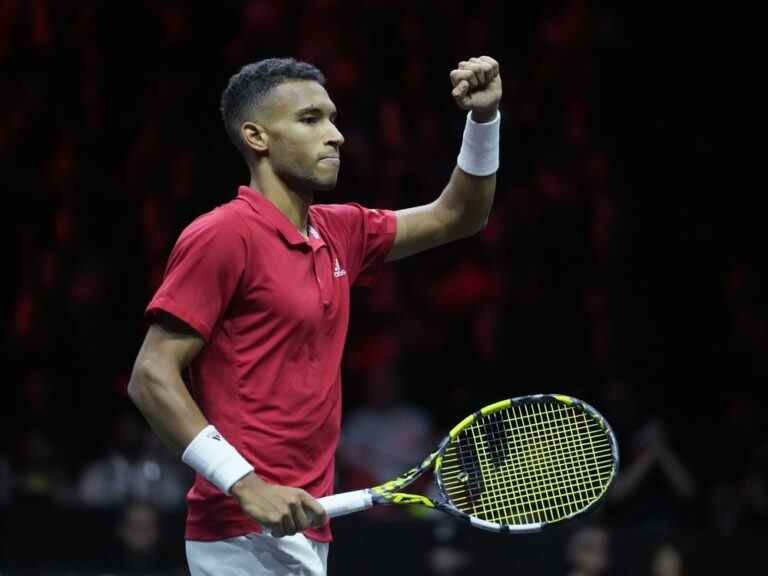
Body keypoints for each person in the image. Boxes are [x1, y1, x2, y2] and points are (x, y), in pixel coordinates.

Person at [128, 55, 502, 575]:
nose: (336, 135)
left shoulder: (340, 232)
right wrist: (246, 484)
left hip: (305, 524)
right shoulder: (223, 235)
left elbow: (458, 215)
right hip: (240, 533)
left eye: (332, 117)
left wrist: (484, 119)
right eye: (310, 120)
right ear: (257, 137)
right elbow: (151, 376)